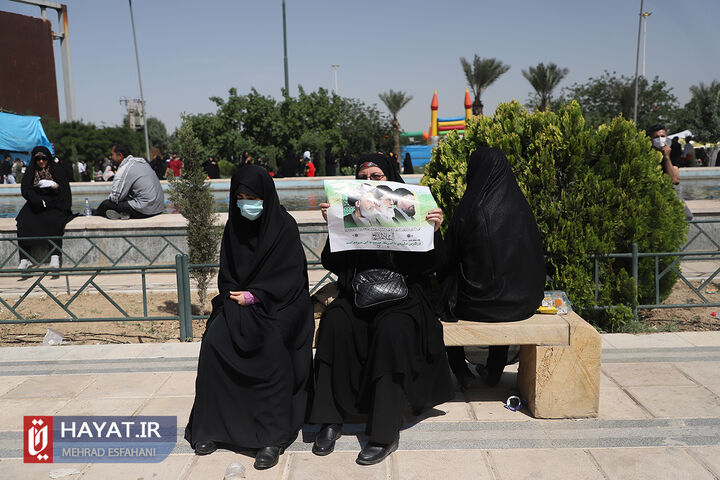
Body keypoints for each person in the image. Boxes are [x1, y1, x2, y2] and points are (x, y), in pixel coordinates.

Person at [311, 154, 453, 466]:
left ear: (389, 177)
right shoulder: (352, 208)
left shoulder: (411, 207)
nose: (371, 183)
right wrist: (333, 225)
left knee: (392, 330)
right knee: (335, 323)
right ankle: (330, 419)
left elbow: (434, 265)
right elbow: (332, 264)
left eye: (377, 176)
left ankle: (384, 432)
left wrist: (434, 230)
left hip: (403, 295)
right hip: (360, 292)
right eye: (364, 177)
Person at [185, 165, 313, 470]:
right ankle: (211, 428)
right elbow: (228, 276)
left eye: (252, 197)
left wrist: (256, 296)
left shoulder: (284, 227)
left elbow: (291, 280)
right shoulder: (234, 229)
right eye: (240, 197)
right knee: (216, 340)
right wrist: (238, 299)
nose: (246, 203)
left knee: (269, 342)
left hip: (281, 305)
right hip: (239, 303)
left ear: (266, 196)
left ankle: (271, 437)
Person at [440, 147, 545, 388]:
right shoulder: (521, 208)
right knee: (502, 287)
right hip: (522, 304)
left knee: (443, 293)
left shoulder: (469, 208)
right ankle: (494, 369)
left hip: (475, 306)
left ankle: (461, 372)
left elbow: (447, 259)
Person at [16, 146, 72, 271]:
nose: (41, 162)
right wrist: (37, 200)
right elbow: (26, 189)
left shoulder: (56, 170)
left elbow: (65, 190)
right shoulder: (31, 171)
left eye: (44, 159)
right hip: (36, 203)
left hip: (55, 202)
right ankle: (25, 258)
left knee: (54, 220)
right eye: (38, 159)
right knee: (22, 220)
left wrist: (54, 185)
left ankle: (55, 255)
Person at [94, 144, 165, 219]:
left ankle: (94, 215)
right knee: (126, 200)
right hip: (158, 209)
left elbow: (116, 198)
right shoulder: (141, 162)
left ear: (120, 155)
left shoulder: (125, 168)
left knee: (106, 204)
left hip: (145, 211)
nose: (110, 157)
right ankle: (123, 214)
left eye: (112, 155)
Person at [648, 125, 692, 220]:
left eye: (662, 136)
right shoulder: (647, 153)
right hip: (651, 189)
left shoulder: (674, 150)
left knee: (687, 215)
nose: (660, 139)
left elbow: (674, 179)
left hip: (669, 189)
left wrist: (667, 157)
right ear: (651, 140)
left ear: (666, 137)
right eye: (656, 137)